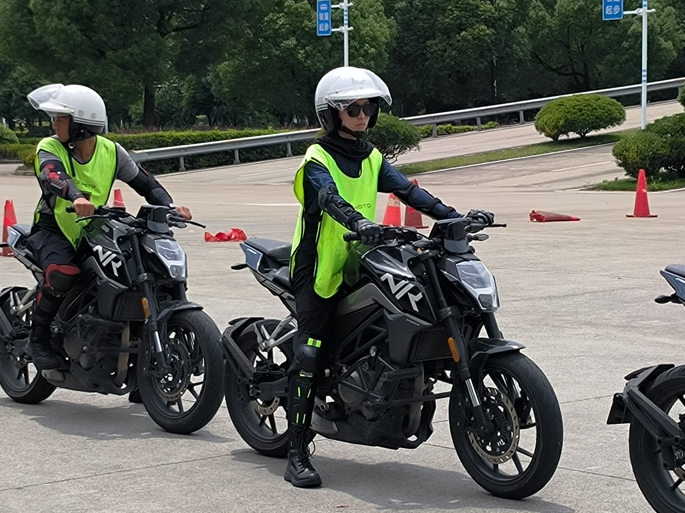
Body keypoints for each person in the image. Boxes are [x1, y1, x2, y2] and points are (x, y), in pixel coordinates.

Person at [285, 66, 494, 488]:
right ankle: (296, 453)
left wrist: (453, 216)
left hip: (362, 256)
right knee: (309, 354)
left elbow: (408, 191)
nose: (362, 115)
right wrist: (359, 223)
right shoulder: (316, 159)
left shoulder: (371, 156)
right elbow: (328, 198)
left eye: (368, 108)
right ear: (332, 113)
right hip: (318, 266)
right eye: (353, 109)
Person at [25, 83, 192, 371]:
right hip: (53, 230)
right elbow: (52, 175)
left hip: (92, 229)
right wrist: (75, 196)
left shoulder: (112, 152)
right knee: (63, 274)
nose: (54, 124)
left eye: (60, 118)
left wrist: (170, 206)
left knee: (136, 273)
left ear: (80, 125)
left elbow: (146, 183)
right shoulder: (49, 146)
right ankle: (37, 338)